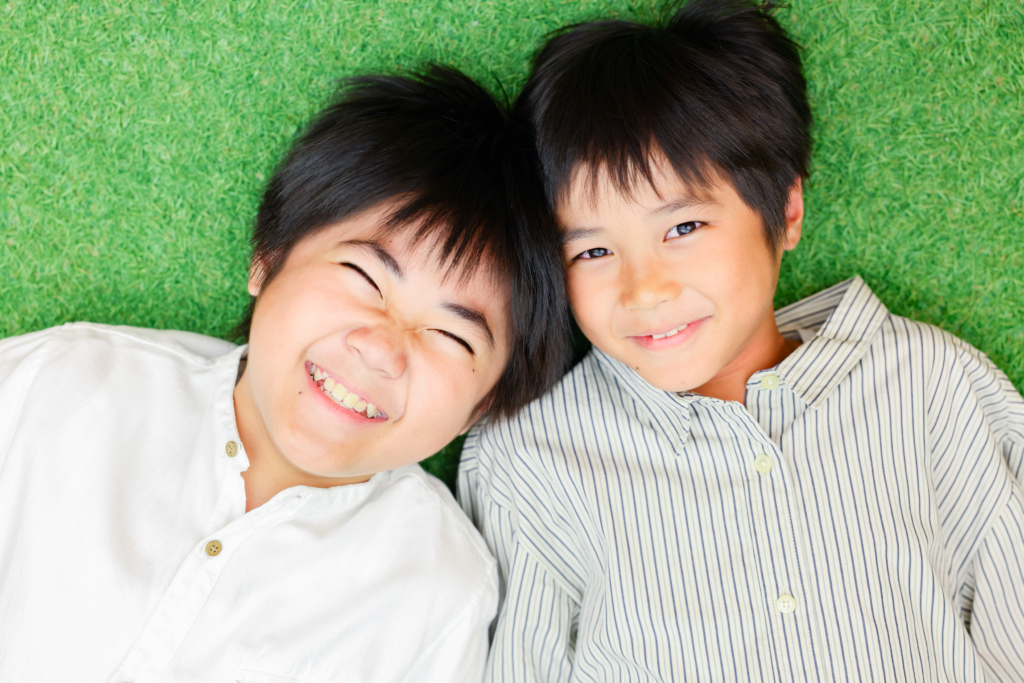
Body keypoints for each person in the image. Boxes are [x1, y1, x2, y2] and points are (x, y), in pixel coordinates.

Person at [458, 1, 1024, 680]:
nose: (644, 290)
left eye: (683, 228)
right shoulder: (528, 459)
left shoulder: (932, 385)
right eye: (593, 251)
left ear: (786, 209)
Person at [0, 66, 571, 682]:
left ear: (482, 406)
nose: (382, 349)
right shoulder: (65, 384)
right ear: (267, 258)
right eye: (364, 277)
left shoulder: (441, 595)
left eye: (452, 336)